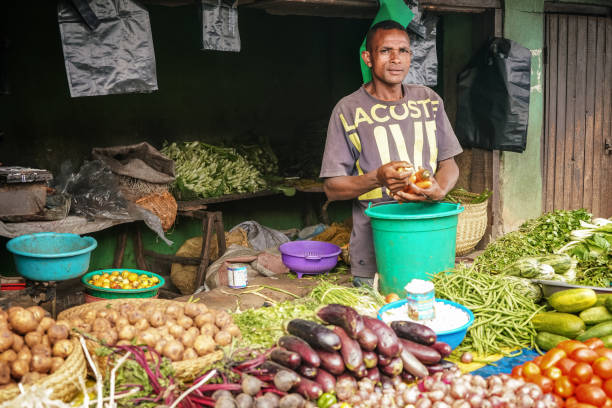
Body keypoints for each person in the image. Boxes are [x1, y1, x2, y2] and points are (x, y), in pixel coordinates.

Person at [320, 20, 462, 287]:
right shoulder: (348, 110)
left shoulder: (429, 101)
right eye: (385, 51)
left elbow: (449, 165)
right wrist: (378, 178)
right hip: (375, 254)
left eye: (404, 51)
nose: (396, 59)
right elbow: (332, 188)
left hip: (429, 243)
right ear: (368, 58)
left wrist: (439, 190)